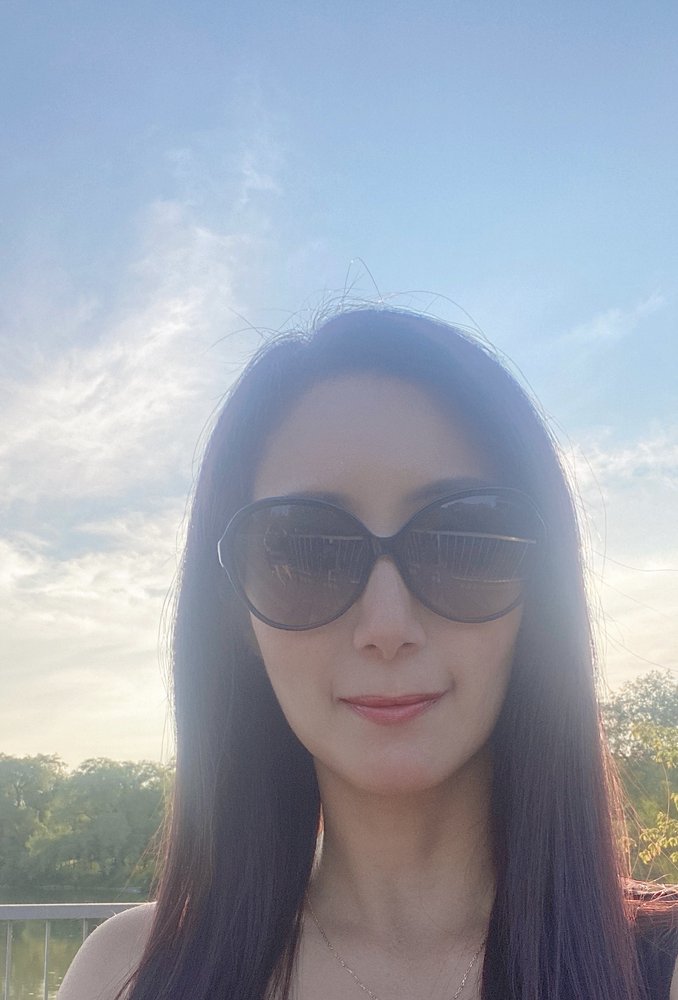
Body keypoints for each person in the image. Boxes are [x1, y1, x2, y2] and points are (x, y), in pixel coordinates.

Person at [58, 307, 678, 1000]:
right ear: (237, 615)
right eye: (306, 553)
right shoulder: (127, 975)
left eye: (463, 542)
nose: (387, 625)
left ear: (539, 593)